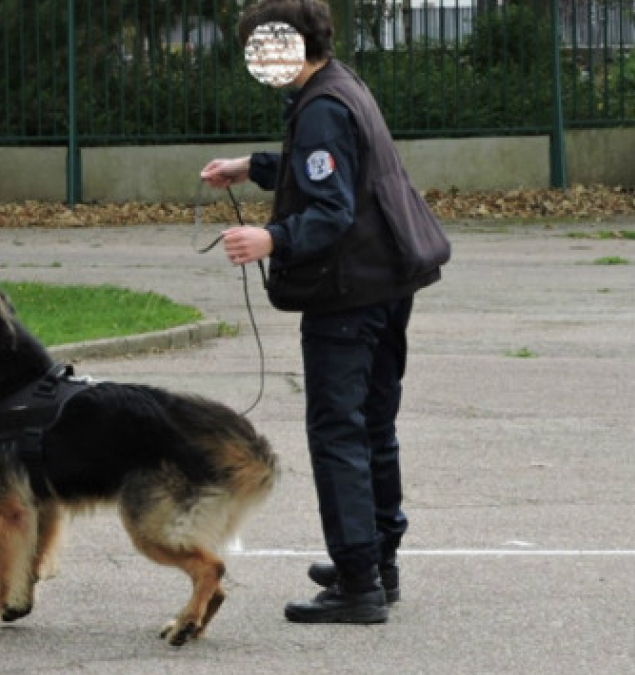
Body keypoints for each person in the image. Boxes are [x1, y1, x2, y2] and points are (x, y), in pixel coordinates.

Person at [200, 0, 448, 624]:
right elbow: (331, 173)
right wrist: (251, 167)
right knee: (372, 426)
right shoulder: (342, 86)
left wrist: (271, 239)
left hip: (350, 294)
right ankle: (377, 562)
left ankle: (358, 585)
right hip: (387, 282)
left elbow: (331, 209)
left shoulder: (321, 109)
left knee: (339, 432)